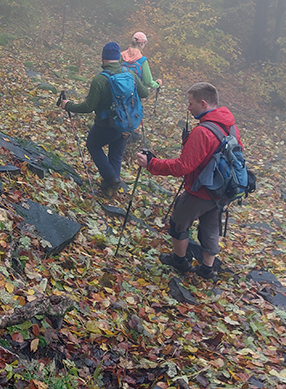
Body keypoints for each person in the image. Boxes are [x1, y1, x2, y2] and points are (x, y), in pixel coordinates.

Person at [136, 82, 242, 280]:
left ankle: (180, 261)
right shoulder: (230, 127)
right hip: (222, 191)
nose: (188, 107)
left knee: (178, 224)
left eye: (191, 103)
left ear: (203, 103)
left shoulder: (202, 132)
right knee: (211, 228)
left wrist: (151, 164)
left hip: (199, 191)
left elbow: (183, 167)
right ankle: (207, 270)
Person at [61, 41, 149, 197]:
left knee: (93, 145)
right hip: (127, 123)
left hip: (106, 125)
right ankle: (110, 191)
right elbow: (144, 93)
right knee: (115, 155)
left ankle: (110, 179)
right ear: (118, 58)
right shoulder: (130, 74)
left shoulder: (100, 80)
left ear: (103, 58)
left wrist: (68, 105)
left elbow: (88, 106)